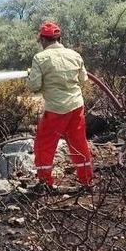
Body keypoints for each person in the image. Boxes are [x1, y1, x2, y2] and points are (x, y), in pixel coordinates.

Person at [27, 21, 93, 190]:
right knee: (79, 143)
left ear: (42, 40)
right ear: (59, 38)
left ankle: (45, 182)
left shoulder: (40, 58)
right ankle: (86, 181)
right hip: (76, 106)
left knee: (44, 145)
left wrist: (32, 76)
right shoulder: (75, 55)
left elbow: (33, 87)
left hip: (56, 110)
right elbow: (83, 79)